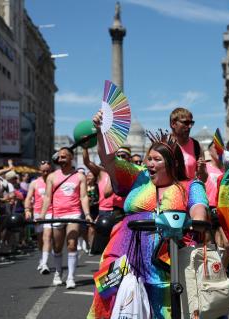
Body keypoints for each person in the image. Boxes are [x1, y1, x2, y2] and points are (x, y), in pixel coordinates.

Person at [88, 111, 209, 319]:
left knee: (164, 307)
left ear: (172, 163)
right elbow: (107, 159)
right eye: (148, 159)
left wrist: (194, 222)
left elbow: (199, 213)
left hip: (168, 261)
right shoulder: (139, 176)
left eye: (156, 159)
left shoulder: (190, 186)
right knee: (109, 298)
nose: (149, 164)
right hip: (123, 253)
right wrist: (101, 131)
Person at [40, 147, 92, 289]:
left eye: (64, 157)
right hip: (57, 215)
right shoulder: (52, 176)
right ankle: (58, 272)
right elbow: (47, 197)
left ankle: (70, 278)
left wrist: (87, 214)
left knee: (71, 244)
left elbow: (83, 197)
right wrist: (42, 215)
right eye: (60, 157)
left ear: (71, 158)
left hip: (73, 214)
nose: (61, 159)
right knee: (57, 247)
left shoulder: (79, 176)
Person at [204, 142, 229, 268]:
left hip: (222, 209)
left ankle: (222, 272)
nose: (219, 150)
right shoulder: (205, 168)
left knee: (227, 244)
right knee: (209, 245)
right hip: (207, 208)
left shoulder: (226, 170)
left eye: (221, 148)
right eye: (215, 148)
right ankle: (212, 273)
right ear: (210, 151)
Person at [24, 161, 53, 274]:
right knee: (40, 238)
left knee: (47, 237)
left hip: (51, 213)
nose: (45, 172)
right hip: (37, 213)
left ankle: (45, 263)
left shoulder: (54, 181)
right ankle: (42, 259)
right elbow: (28, 197)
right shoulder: (35, 183)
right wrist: (27, 210)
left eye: (47, 170)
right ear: (39, 171)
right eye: (43, 170)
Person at [170, 107, 207, 182]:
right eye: (186, 123)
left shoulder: (196, 146)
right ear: (173, 124)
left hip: (188, 192)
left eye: (191, 123)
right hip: (167, 192)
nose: (189, 126)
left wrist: (202, 170)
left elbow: (204, 179)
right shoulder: (163, 144)